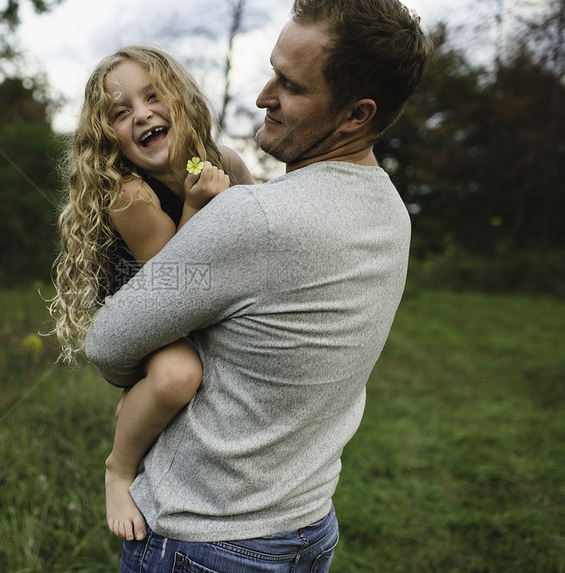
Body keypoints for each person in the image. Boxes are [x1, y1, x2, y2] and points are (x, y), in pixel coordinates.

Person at [84, 0, 433, 571]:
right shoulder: (392, 211)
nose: (262, 95)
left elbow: (106, 342)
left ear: (354, 115)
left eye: (290, 85)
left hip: (205, 535)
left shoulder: (257, 219)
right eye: (272, 70)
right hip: (307, 524)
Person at [49, 46, 254, 543]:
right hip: (147, 301)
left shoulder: (224, 160)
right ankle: (119, 469)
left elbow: (259, 231)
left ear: (181, 100)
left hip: (205, 295)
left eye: (153, 96)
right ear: (110, 138)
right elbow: (170, 287)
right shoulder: (129, 194)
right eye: (121, 112)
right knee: (177, 376)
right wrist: (197, 204)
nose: (141, 114)